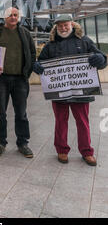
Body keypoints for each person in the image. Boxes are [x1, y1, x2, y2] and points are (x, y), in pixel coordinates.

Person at [33, 14, 107, 166]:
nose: (63, 28)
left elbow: (101, 57)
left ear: (72, 24)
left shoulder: (84, 41)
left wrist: (101, 59)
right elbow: (41, 62)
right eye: (60, 25)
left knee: (83, 122)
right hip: (59, 92)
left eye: (65, 25)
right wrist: (38, 66)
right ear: (56, 27)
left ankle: (87, 151)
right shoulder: (50, 45)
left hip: (82, 92)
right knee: (61, 121)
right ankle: (62, 150)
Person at [0, 7, 36, 158]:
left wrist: (27, 70)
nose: (13, 17)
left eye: (15, 15)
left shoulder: (25, 33)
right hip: (1, 79)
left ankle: (23, 143)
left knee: (21, 113)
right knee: (0, 112)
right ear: (4, 17)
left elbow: (32, 53)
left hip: (20, 79)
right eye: (10, 15)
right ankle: (0, 142)